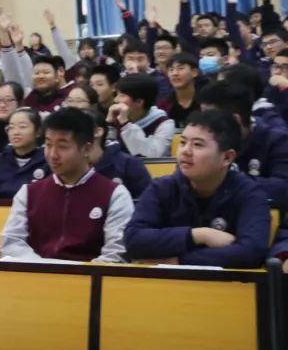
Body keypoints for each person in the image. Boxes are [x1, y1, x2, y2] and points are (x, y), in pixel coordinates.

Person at [124, 110, 271, 268]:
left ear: (227, 157)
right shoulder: (161, 187)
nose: (185, 151)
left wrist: (180, 261)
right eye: (183, 142)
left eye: (197, 145)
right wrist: (198, 235)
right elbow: (133, 239)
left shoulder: (250, 193)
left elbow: (251, 252)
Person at [0, 108, 134, 262]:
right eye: (48, 145)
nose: (53, 154)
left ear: (86, 149)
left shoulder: (115, 194)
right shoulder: (29, 193)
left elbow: (117, 252)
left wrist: (76, 273)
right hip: (35, 273)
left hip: (89, 275)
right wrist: (42, 268)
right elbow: (12, 242)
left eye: (62, 146)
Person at [196, 81, 288, 210]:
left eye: (210, 118)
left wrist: (226, 180)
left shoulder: (277, 140)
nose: (204, 124)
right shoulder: (201, 141)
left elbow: (283, 188)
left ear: (235, 120)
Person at [85, 109, 152, 198]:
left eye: (77, 129)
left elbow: (145, 201)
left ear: (98, 132)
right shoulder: (69, 165)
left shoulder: (129, 164)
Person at [108, 74, 175, 157]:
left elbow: (153, 155)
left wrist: (126, 125)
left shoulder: (164, 124)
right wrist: (109, 125)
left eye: (122, 95)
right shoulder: (116, 118)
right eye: (116, 95)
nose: (115, 100)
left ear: (139, 102)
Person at [0, 108, 48, 199]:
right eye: (11, 128)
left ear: (38, 132)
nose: (15, 132)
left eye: (22, 127)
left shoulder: (49, 162)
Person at [159, 52, 203, 126]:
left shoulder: (206, 103)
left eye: (180, 68)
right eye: (171, 70)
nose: (175, 73)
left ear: (194, 72)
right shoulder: (163, 106)